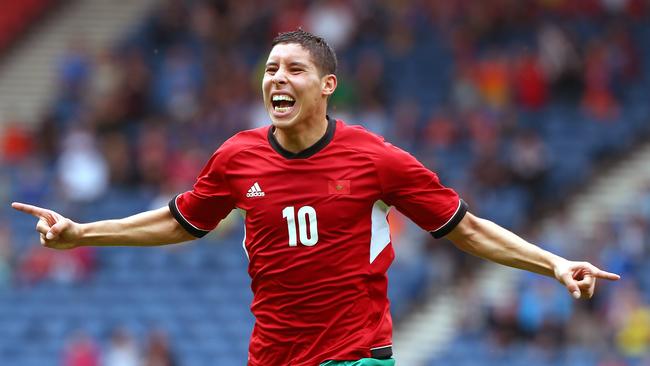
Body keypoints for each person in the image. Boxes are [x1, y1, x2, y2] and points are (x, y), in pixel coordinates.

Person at [12, 29, 620, 366]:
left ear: (327, 86)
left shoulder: (377, 159)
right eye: (271, 68)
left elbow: (468, 228)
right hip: (273, 358)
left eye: (293, 69)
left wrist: (556, 264)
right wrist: (82, 233)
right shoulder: (237, 156)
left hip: (354, 355)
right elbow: (181, 223)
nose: (277, 78)